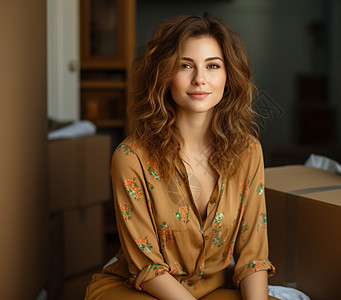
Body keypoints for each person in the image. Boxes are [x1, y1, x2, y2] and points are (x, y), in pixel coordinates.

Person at [84, 13, 277, 300]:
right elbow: (147, 267)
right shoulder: (130, 157)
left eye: (213, 66)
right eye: (185, 65)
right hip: (141, 289)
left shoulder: (248, 152)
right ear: (165, 75)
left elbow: (253, 258)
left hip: (212, 289)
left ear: (228, 76)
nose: (200, 79)